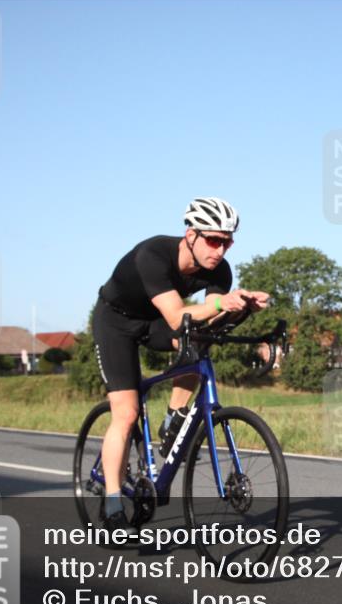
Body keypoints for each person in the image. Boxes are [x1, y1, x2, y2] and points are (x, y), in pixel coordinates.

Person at [92, 197, 270, 532]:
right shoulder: (154, 255)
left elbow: (210, 321)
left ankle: (175, 415)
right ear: (191, 234)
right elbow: (176, 314)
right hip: (116, 321)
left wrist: (242, 308)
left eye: (227, 242)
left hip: (154, 322)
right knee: (127, 413)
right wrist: (221, 301)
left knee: (199, 340)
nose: (220, 250)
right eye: (213, 240)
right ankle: (113, 504)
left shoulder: (220, 270)